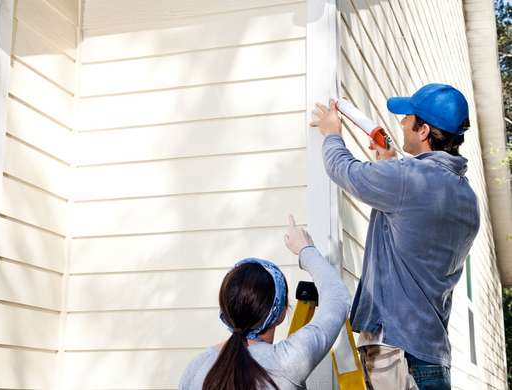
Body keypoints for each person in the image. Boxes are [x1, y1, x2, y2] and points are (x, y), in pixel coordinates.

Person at [310, 83, 481, 390]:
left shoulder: (407, 179)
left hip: (397, 354)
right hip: (432, 356)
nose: (401, 123)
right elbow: (415, 229)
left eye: (407, 118)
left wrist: (332, 132)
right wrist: (388, 165)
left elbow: (343, 170)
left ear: (424, 130)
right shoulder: (466, 197)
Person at [179, 215, 351, 389]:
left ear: (226, 309)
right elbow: (337, 297)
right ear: (281, 313)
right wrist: (305, 249)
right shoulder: (286, 361)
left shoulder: (196, 368)